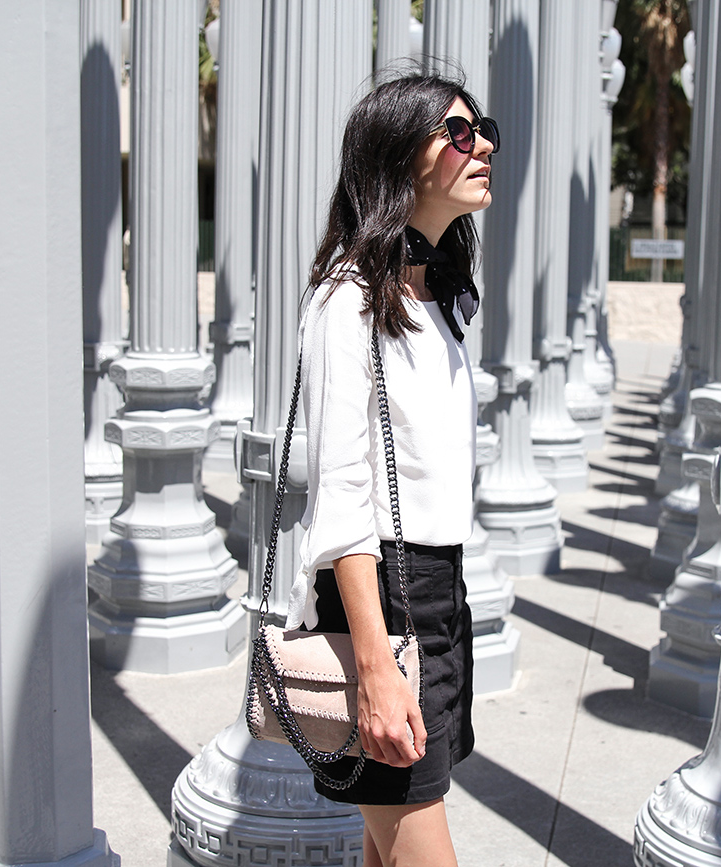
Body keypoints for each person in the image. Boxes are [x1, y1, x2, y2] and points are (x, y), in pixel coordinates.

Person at [286, 73, 498, 866]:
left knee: (388, 851)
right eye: (458, 134)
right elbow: (341, 498)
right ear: (398, 160)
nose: (482, 150)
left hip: (441, 597)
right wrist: (374, 666)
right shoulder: (348, 301)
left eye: (484, 133)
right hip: (381, 605)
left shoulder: (436, 301)